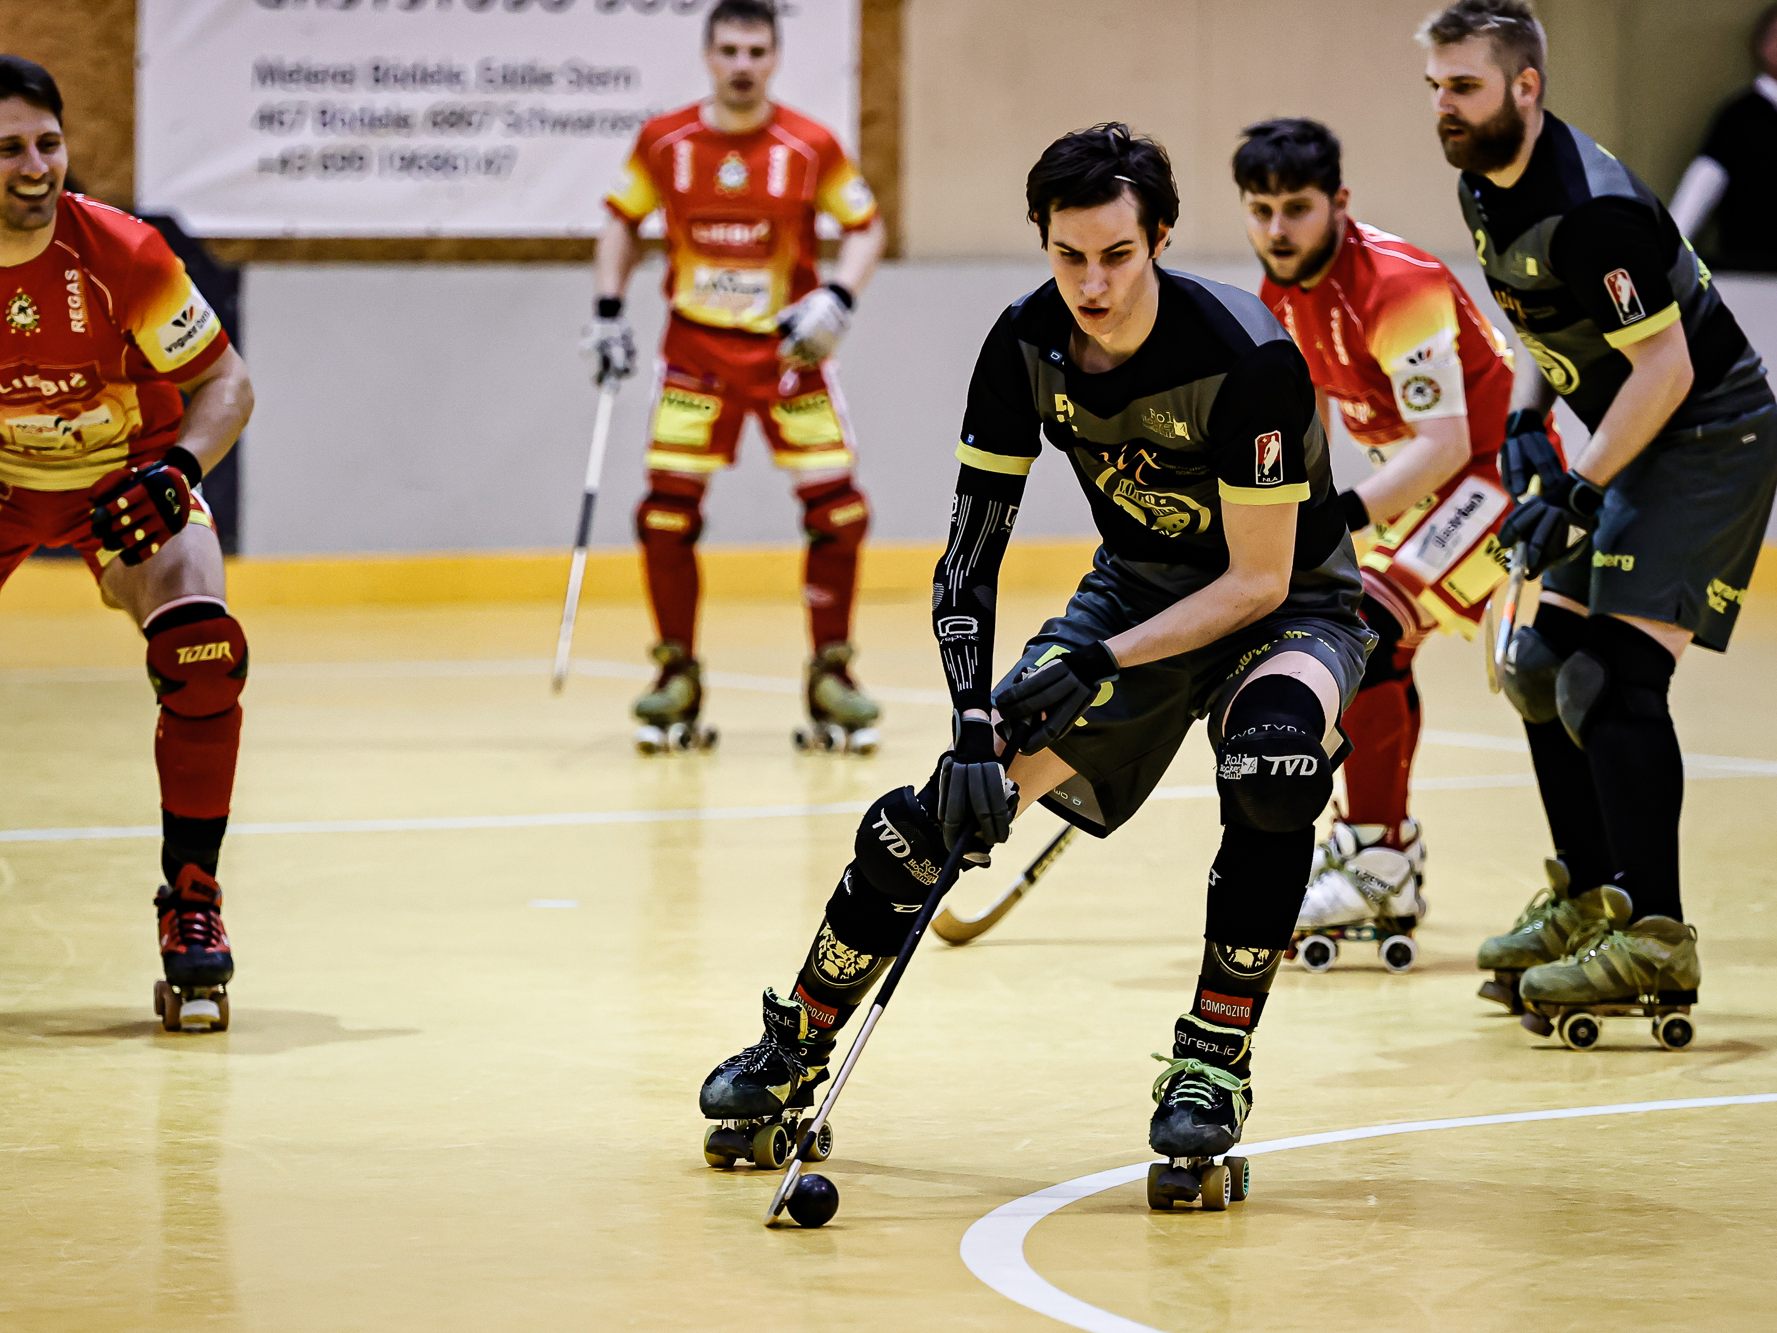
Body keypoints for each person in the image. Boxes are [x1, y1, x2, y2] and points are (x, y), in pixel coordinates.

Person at [696, 123, 1372, 1187]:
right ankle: (796, 1041)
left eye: (1115, 255)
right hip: (1136, 592)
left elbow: (1257, 582)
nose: (1091, 284)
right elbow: (969, 553)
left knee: (1275, 760)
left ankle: (1212, 1059)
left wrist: (1100, 662)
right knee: (928, 818)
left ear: (1158, 239)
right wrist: (974, 719)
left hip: (1288, 605)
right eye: (1067, 256)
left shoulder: (1247, 360)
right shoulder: (1022, 344)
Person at [1421, 0, 1777, 1042]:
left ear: (1524, 88)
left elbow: (1665, 368)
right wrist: (1531, 421)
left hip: (1707, 437)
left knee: (1612, 675)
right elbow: (1543, 311)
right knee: (1540, 661)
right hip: (1627, 432)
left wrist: (1577, 485)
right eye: (1436, 87)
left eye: (1465, 87)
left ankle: (1656, 932)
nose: (1444, 108)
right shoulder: (1486, 181)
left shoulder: (1594, 211)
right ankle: (1589, 896)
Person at [1233, 117, 1526, 971]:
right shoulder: (1279, 291)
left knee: (1365, 626)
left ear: (1339, 203)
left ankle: (1377, 854)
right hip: (1426, 482)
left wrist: (1336, 524)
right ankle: (1378, 852)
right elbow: (1304, 431)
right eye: (1261, 210)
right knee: (1351, 635)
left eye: (1296, 208)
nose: (1278, 229)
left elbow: (1445, 440)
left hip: (1495, 471)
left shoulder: (1396, 286)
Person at [0, 56, 254, 1031]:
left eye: (48, 144)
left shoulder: (122, 253)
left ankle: (191, 901)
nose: (36, 166)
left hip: (126, 481)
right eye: (11, 148)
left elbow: (229, 385)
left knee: (201, 647)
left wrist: (178, 471)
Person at [586, 0, 887, 753]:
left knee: (839, 510)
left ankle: (831, 673)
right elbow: (622, 218)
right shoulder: (664, 142)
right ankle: (675, 673)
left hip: (791, 357)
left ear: (775, 57)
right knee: (663, 515)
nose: (743, 64)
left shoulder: (810, 144)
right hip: (695, 354)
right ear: (708, 55)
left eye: (756, 50)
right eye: (729, 50)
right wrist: (607, 311)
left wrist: (839, 299)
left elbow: (866, 226)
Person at [1669, 4, 1777, 274]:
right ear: (1762, 45)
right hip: (1751, 273)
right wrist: (1668, 253)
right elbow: (1702, 184)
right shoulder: (1740, 117)